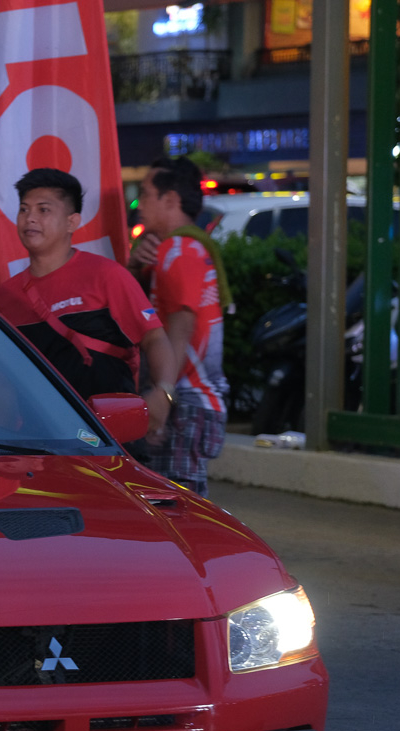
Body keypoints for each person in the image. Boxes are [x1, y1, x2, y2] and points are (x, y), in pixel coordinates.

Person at [0, 168, 178, 441]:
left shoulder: (106, 276)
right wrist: (1, 441)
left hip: (110, 440)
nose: (30, 218)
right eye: (24, 209)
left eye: (43, 210)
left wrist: (164, 394)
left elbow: (154, 336)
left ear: (71, 222)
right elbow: (0, 379)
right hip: (39, 443)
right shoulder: (5, 297)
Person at [129, 155, 230, 497]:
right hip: (188, 401)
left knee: (178, 513)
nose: (138, 203)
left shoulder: (179, 250)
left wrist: (163, 395)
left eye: (144, 194)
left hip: (184, 401)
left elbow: (182, 324)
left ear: (170, 200)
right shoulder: (177, 248)